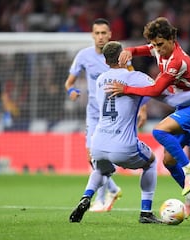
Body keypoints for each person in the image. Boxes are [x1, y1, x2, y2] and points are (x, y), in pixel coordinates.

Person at [69, 41, 190, 223]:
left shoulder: (100, 79)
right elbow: (171, 100)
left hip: (98, 143)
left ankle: (86, 197)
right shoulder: (136, 77)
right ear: (123, 56)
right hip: (122, 143)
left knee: (102, 170)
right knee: (150, 162)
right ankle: (145, 213)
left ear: (106, 61)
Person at [106, 17, 190, 215]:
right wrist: (128, 51)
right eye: (155, 44)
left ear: (172, 39)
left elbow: (156, 89)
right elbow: (139, 49)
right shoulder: (158, 49)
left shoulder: (177, 61)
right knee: (168, 160)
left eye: (161, 44)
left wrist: (126, 89)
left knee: (159, 131)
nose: (157, 49)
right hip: (186, 108)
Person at [64, 18, 147, 212]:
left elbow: (134, 80)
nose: (100, 37)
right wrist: (71, 91)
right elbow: (69, 82)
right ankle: (113, 190)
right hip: (94, 114)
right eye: (97, 33)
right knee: (92, 158)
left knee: (103, 158)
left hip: (117, 115)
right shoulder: (83, 56)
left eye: (104, 33)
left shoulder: (120, 56)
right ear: (92, 35)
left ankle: (101, 200)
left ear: (110, 35)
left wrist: (142, 108)